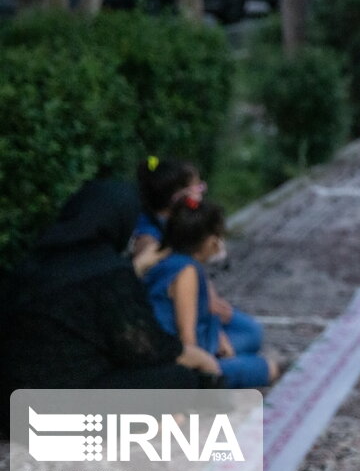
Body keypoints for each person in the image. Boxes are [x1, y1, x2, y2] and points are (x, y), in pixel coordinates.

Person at [0, 180, 222, 426]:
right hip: (63, 406)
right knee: (180, 379)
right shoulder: (107, 270)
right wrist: (200, 359)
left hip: (12, 409)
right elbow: (144, 350)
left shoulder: (29, 265)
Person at [134, 156, 264, 360]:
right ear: (179, 196)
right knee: (253, 349)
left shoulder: (179, 224)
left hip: (197, 315)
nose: (202, 192)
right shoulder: (150, 241)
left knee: (252, 332)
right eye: (198, 188)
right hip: (177, 331)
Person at [143, 198, 278, 388]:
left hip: (194, 346)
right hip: (181, 362)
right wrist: (207, 366)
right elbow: (187, 340)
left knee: (250, 334)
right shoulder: (186, 272)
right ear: (209, 240)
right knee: (268, 368)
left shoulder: (172, 261)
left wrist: (220, 339)